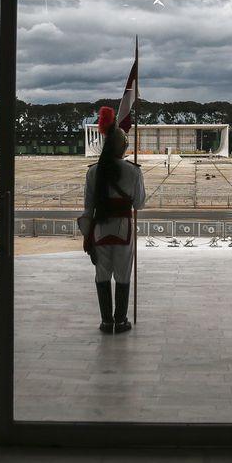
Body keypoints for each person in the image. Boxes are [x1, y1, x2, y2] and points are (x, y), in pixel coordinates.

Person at [84, 106, 146, 334]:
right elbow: (139, 203)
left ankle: (105, 321)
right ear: (123, 147)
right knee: (122, 275)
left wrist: (87, 237)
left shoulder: (93, 172)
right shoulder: (133, 172)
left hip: (99, 229)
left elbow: (87, 208)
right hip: (123, 230)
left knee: (102, 275)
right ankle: (120, 320)